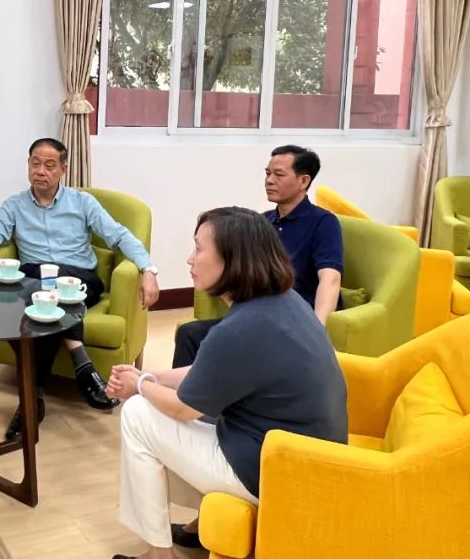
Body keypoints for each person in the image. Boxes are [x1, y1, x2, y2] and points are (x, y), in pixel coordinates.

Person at [108, 207, 348, 559]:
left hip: (275, 472)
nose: (190, 259)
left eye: (199, 249)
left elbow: (184, 408)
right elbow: (208, 373)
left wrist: (139, 386)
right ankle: (196, 527)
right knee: (162, 410)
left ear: (232, 260)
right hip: (306, 463)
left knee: (138, 414)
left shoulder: (241, 327)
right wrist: (150, 376)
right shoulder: (286, 302)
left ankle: (159, 555)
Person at [0, 137, 160, 441]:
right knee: (44, 304)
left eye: (49, 165)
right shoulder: (15, 205)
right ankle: (78, 364)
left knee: (46, 299)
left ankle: (31, 401)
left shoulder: (82, 202)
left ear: (63, 169)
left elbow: (118, 235)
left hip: (79, 278)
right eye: (35, 163)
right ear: (28, 165)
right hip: (35, 278)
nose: (41, 171)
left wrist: (147, 269)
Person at [172, 144, 343, 369]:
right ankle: (185, 391)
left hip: (294, 321)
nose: (269, 180)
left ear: (303, 181)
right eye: (267, 173)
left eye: (279, 174)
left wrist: (316, 329)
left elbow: (330, 278)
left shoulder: (323, 222)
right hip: (259, 316)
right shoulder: (262, 222)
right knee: (190, 333)